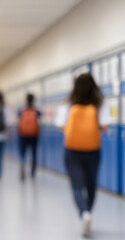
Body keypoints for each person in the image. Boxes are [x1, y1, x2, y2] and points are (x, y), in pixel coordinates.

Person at [54, 73, 110, 238]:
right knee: (91, 185)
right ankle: (88, 213)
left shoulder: (68, 105)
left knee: (77, 185)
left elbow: (60, 125)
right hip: (92, 150)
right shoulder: (99, 104)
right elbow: (105, 126)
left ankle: (84, 214)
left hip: (72, 151)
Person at [17, 93, 42, 181]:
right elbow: (39, 123)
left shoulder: (21, 111)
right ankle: (32, 172)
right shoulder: (36, 111)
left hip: (23, 135)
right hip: (34, 135)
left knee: (22, 153)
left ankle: (22, 165)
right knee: (33, 153)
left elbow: (18, 123)